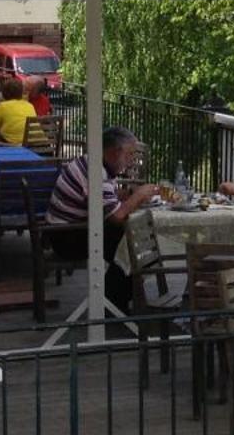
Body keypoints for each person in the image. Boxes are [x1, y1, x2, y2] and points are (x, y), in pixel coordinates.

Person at [45, 126, 158, 312]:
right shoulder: (95, 172)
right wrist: (138, 197)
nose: (131, 161)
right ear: (115, 152)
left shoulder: (94, 163)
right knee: (133, 241)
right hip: (66, 237)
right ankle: (113, 302)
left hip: (68, 230)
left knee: (133, 239)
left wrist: (130, 193)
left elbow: (108, 196)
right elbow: (116, 217)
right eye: (130, 154)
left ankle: (115, 298)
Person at [0, 77, 36, 146]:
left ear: (4, 93)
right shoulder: (30, 105)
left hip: (13, 145)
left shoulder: (2, 106)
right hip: (34, 143)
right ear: (21, 92)